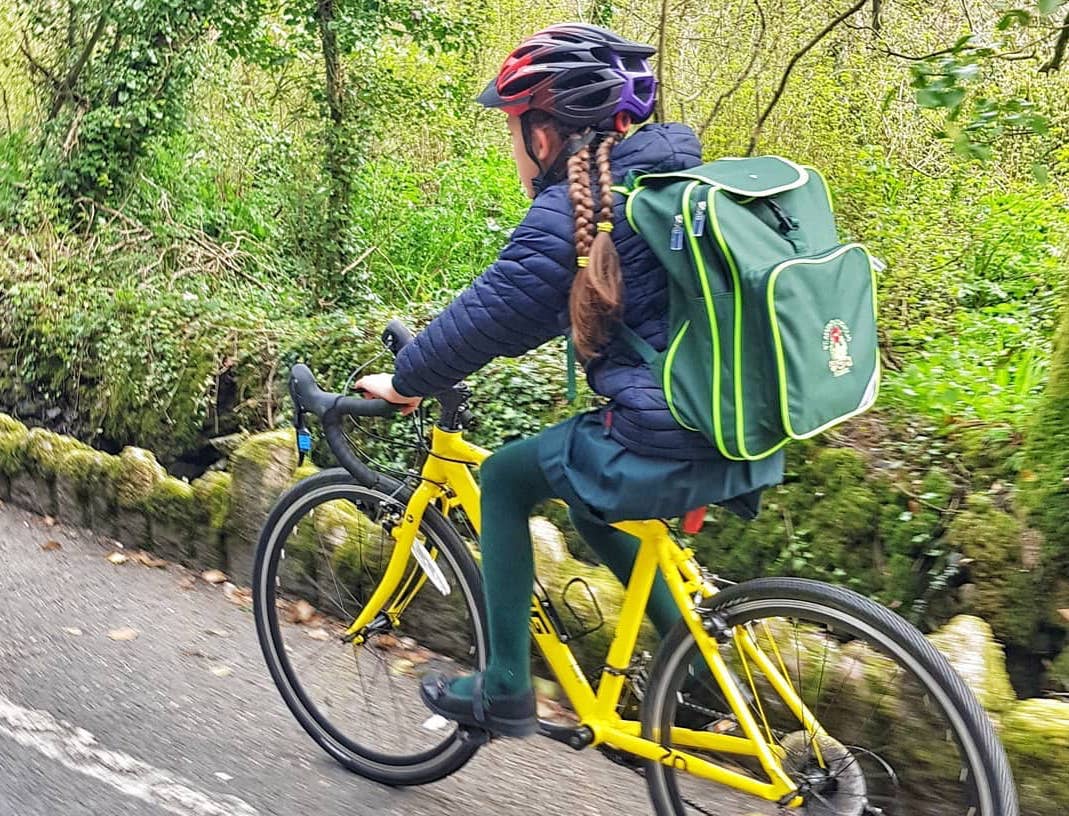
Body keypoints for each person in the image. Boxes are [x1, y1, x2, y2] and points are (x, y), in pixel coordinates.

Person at [354, 23, 784, 737]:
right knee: (591, 500)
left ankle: (504, 688)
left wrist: (406, 381)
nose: (514, 149)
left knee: (505, 480)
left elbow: (494, 315)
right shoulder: (667, 179)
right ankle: (702, 680)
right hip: (745, 425)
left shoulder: (577, 211)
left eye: (514, 129)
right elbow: (543, 309)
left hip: (667, 432)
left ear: (545, 137)